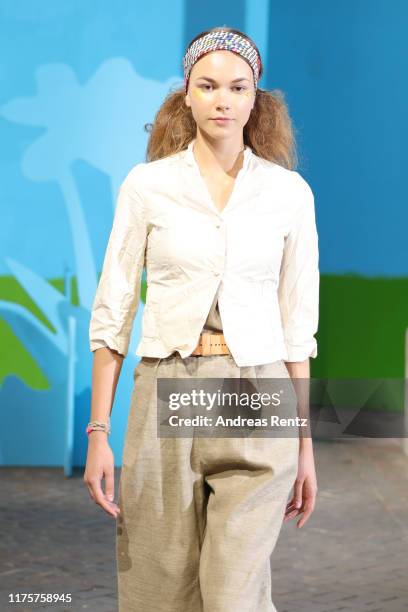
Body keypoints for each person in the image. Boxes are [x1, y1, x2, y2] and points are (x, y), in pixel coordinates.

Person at [84, 26, 319, 612]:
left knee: (234, 596)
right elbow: (114, 312)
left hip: (257, 394)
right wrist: (98, 435)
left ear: (255, 97)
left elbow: (298, 326)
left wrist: (306, 442)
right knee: (159, 594)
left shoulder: (289, 194)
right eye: (208, 85)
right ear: (185, 93)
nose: (223, 99)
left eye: (238, 87)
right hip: (167, 391)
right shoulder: (148, 187)